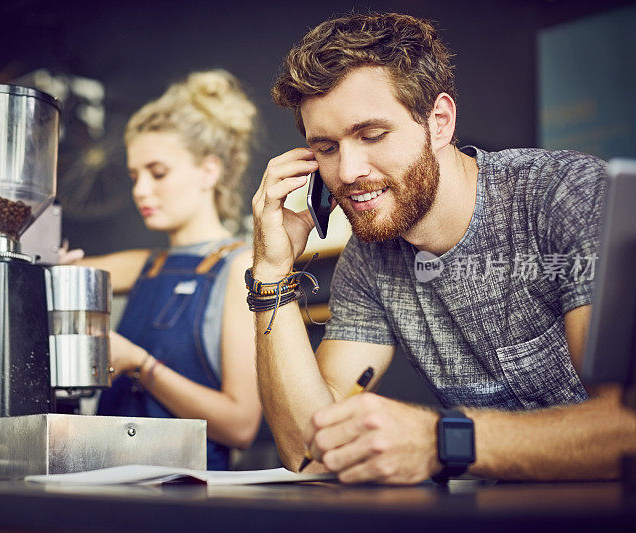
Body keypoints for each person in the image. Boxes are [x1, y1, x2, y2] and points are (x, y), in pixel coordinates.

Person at [250, 12, 636, 484]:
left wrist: (444, 440)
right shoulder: (371, 258)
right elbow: (307, 448)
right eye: (326, 147)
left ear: (439, 122)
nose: (348, 171)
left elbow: (627, 424)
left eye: (372, 136)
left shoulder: (563, 195)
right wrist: (271, 272)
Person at [63, 70, 262, 470]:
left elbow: (240, 426)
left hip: (185, 497)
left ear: (209, 171)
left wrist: (141, 365)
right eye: (135, 176)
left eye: (158, 173)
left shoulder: (241, 267)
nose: (139, 190)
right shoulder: (147, 265)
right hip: (106, 484)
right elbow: (56, 272)